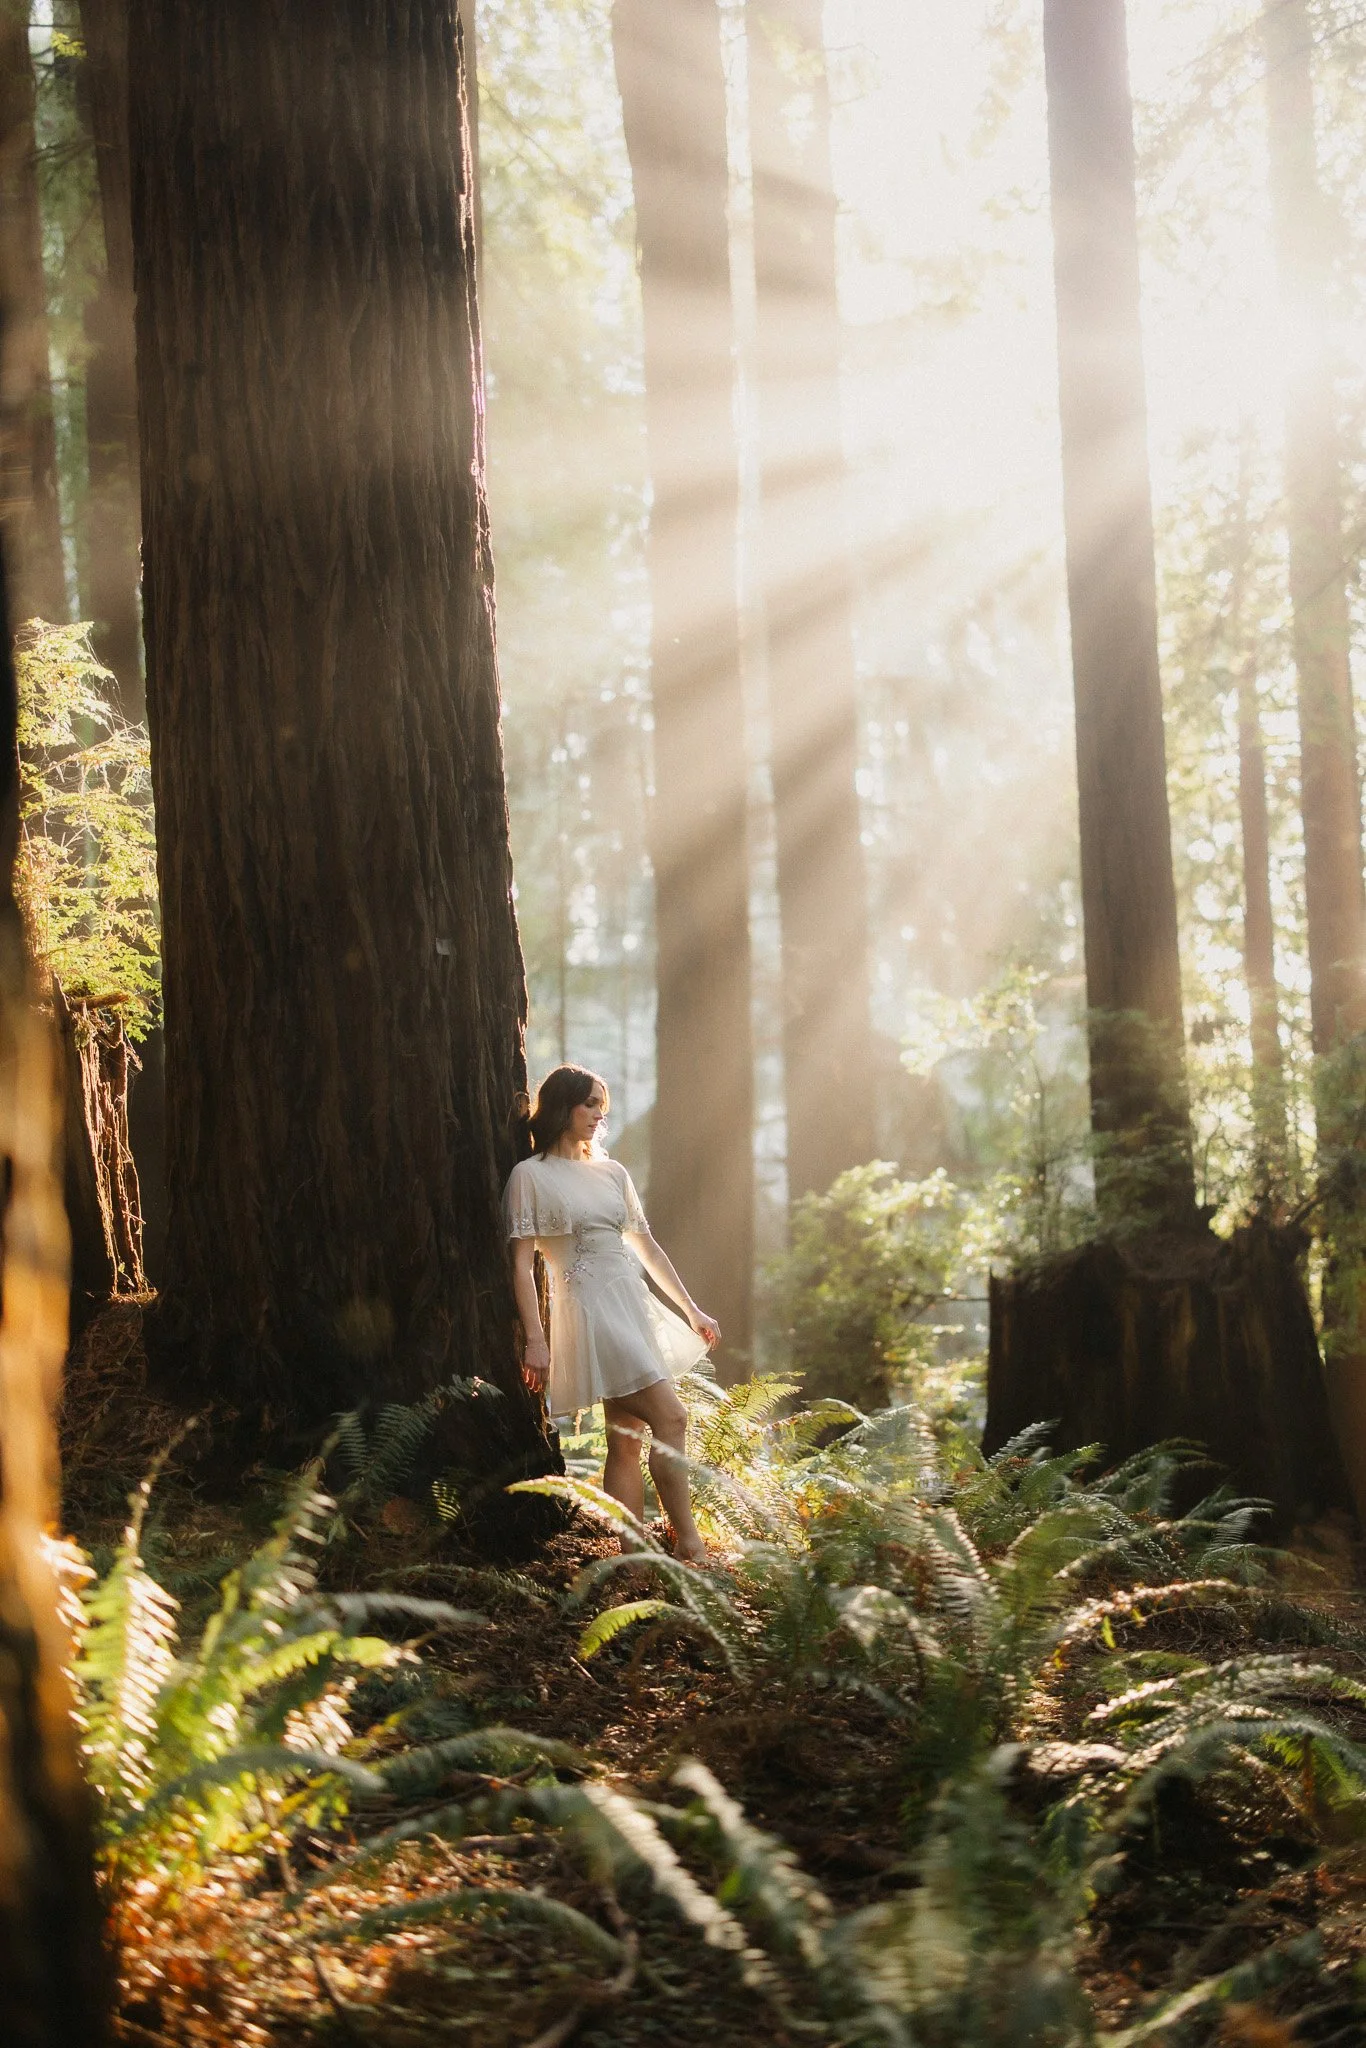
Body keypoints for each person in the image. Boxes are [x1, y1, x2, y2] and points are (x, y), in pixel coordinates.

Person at [504, 1065, 719, 1564]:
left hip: (632, 1305)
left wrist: (690, 1310)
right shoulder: (529, 1176)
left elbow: (648, 1249)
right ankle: (689, 1544)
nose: (600, 1116)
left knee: (625, 1439)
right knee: (673, 1415)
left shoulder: (613, 1172)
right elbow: (520, 1265)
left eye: (603, 1106)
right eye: (590, 1105)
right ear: (563, 1108)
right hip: (590, 1311)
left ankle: (633, 1555)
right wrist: (536, 1340)